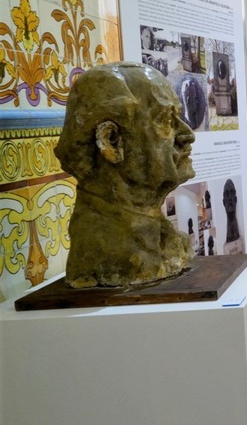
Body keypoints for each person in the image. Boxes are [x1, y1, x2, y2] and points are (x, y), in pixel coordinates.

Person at [54, 61, 196, 287]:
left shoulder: (162, 236)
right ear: (111, 142)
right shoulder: (104, 248)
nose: (187, 135)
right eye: (166, 120)